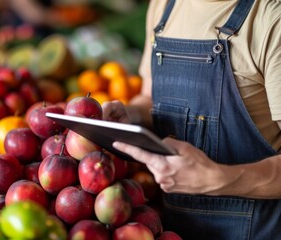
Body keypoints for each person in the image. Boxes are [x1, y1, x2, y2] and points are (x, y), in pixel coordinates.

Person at [102, 0, 281, 239]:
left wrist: (218, 179)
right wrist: (130, 115)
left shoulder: (271, 18)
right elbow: (149, 98)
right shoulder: (165, 6)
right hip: (171, 229)